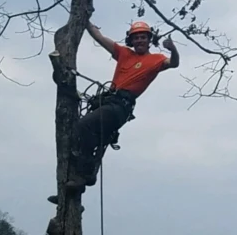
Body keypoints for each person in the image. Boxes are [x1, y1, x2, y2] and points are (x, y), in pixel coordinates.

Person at [66, 20, 179, 191]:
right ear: (131, 41)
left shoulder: (156, 59)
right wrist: (85, 18)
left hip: (120, 107)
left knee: (84, 125)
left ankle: (85, 174)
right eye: (136, 38)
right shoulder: (124, 54)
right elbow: (99, 37)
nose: (140, 40)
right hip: (108, 101)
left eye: (143, 37)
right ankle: (83, 174)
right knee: (80, 135)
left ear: (149, 40)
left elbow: (174, 63)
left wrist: (173, 49)